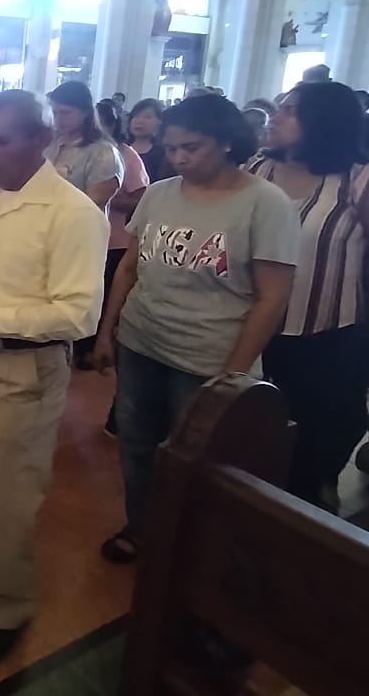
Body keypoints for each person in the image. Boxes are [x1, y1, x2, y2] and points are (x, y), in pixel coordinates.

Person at [0, 91, 109, 666]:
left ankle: (7, 605)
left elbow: (79, 314)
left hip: (25, 367)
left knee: (6, 491)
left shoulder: (73, 213)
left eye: (0, 141)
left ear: (41, 140)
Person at [94, 94, 298, 566]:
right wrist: (108, 331)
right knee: (137, 441)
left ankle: (189, 547)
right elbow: (130, 267)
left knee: (199, 458)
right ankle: (143, 526)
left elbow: (272, 297)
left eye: (192, 147)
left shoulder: (265, 203)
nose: (180, 158)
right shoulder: (161, 193)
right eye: (172, 148)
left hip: (209, 356)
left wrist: (234, 373)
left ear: (226, 142)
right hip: (142, 341)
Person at [248, 81, 369, 511]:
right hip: (253, 323)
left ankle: (309, 501)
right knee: (257, 421)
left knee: (322, 425)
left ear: (324, 121)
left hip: (327, 331)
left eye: (291, 110)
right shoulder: (258, 168)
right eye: (279, 106)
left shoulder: (357, 180)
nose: (276, 117)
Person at [83, 100, 149, 381]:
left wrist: (105, 195)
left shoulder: (124, 154)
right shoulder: (80, 150)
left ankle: (97, 343)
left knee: (105, 292)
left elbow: (140, 197)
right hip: (85, 237)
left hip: (116, 237)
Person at [45, 80, 122, 211]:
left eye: (65, 113)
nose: (59, 119)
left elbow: (92, 204)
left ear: (86, 112)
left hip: (78, 219)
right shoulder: (50, 143)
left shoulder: (103, 152)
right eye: (55, 113)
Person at [127, 98, 173, 182]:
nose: (139, 121)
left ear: (160, 122)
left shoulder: (164, 153)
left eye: (148, 117)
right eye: (136, 116)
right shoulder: (120, 148)